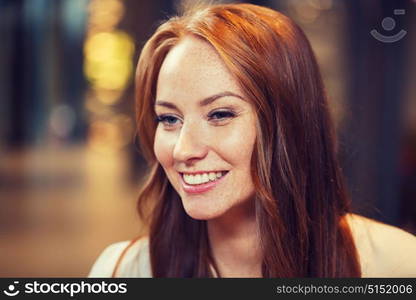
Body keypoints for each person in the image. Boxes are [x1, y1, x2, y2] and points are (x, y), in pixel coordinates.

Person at [88, 3, 416, 278]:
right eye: (169, 119)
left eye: (220, 115)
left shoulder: (395, 266)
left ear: (289, 121)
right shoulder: (120, 271)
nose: (183, 150)